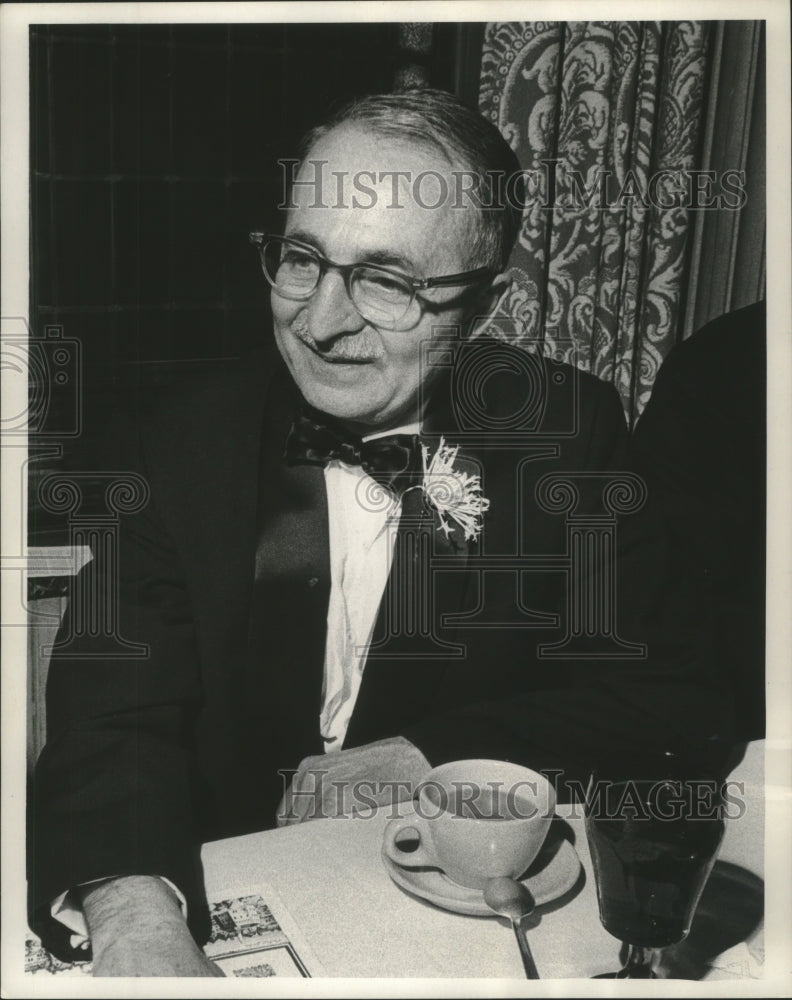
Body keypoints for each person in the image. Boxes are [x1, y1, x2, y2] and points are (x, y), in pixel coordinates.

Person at [29, 89, 734, 976]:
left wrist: (427, 755)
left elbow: (678, 696)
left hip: (458, 917)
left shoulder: (570, 431)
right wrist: (133, 914)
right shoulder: (180, 439)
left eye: (388, 281)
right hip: (219, 898)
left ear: (482, 307)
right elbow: (113, 713)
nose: (320, 323)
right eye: (302, 260)